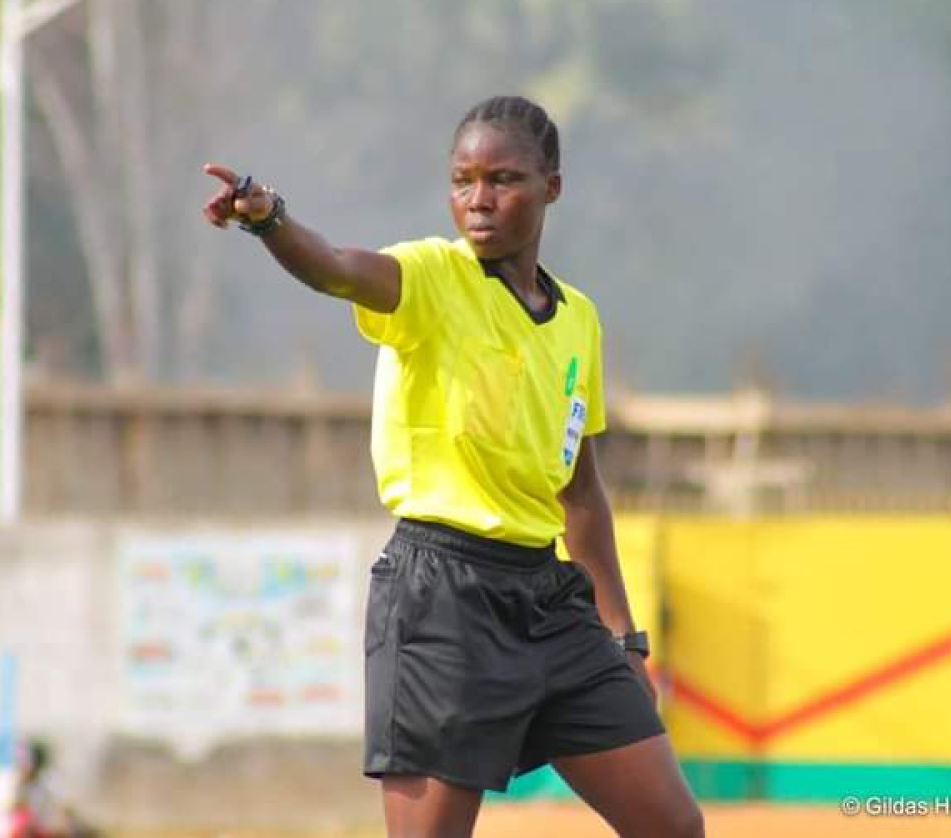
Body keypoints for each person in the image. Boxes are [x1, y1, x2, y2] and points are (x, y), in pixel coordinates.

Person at [201, 96, 704, 838]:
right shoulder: (432, 276)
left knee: (674, 825)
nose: (479, 198)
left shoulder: (578, 320)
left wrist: (624, 637)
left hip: (549, 599)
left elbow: (582, 490)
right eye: (463, 179)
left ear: (552, 187)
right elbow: (337, 269)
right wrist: (269, 218)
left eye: (503, 179)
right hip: (442, 597)